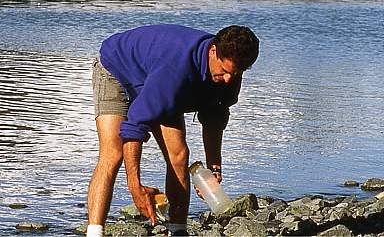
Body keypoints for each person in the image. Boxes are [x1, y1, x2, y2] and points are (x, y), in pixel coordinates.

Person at [85, 24, 259, 237]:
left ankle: (177, 231)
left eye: (235, 73)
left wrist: (214, 167)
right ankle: (94, 232)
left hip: (157, 79)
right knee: (113, 154)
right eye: (224, 71)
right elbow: (134, 126)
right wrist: (135, 187)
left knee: (179, 155)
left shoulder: (229, 76)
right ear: (213, 51)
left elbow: (215, 117)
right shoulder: (175, 70)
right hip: (117, 70)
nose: (228, 80)